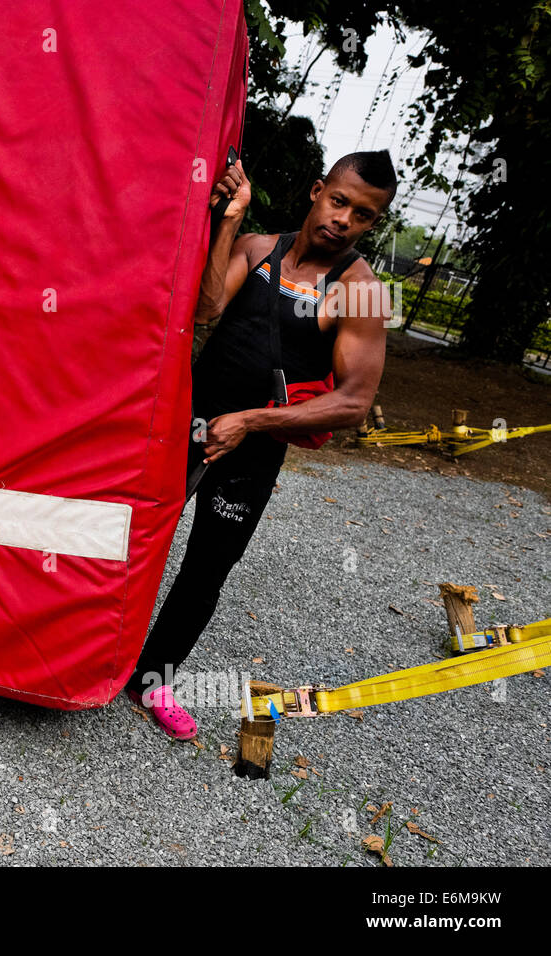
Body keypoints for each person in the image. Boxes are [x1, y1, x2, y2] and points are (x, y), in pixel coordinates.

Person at [127, 150, 396, 738]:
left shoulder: (364, 292)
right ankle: (96, 649)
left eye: (364, 215)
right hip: (185, 422)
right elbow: (204, 312)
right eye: (339, 200)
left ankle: (151, 678)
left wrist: (250, 421)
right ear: (317, 191)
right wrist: (230, 219)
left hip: (252, 445)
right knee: (132, 535)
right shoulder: (254, 247)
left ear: (374, 224)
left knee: (207, 568)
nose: (344, 219)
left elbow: (354, 401)